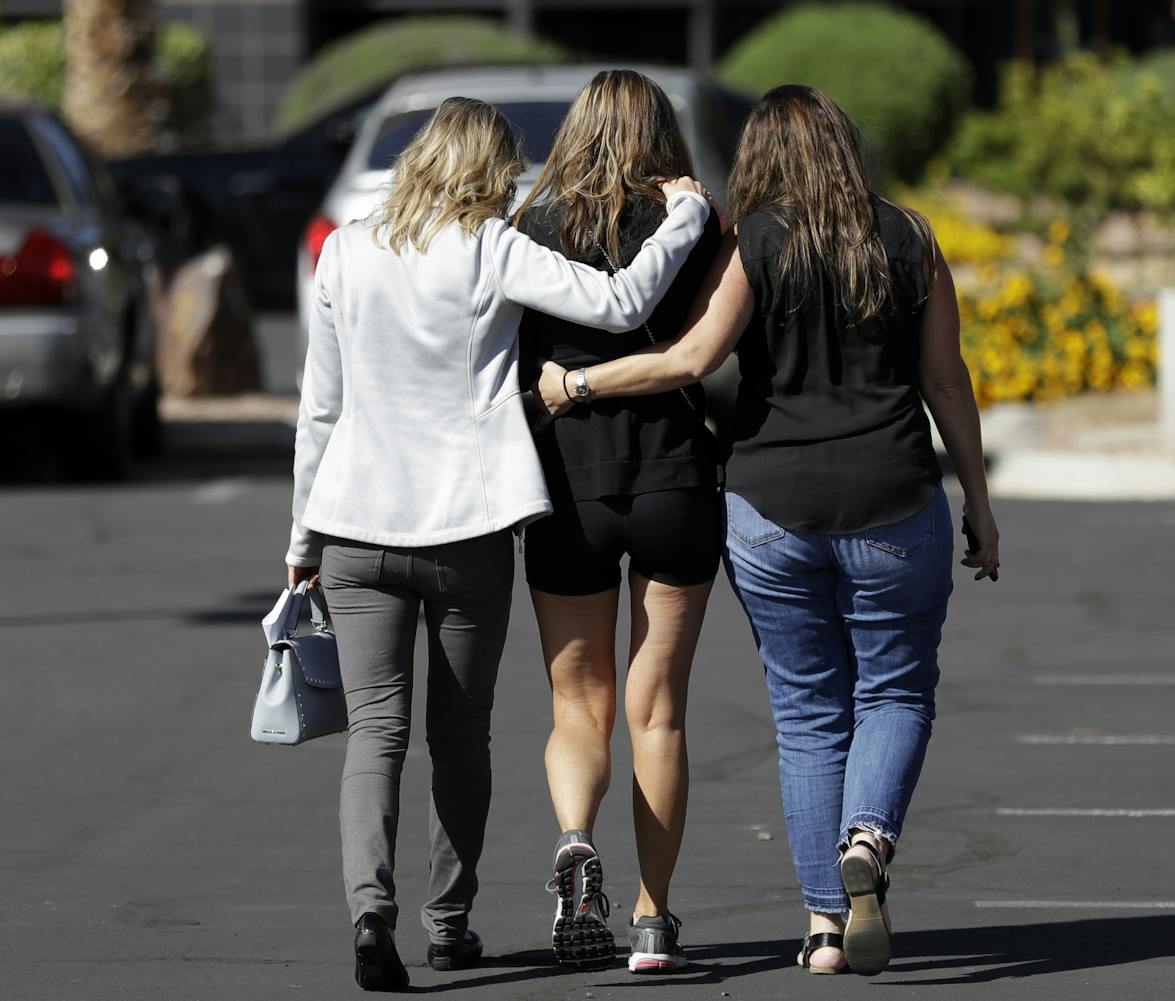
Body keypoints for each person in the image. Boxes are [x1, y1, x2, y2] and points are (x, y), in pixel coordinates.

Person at [538, 84, 1001, 977]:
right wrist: (978, 504)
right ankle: (868, 835)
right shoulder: (909, 238)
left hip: (768, 510)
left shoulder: (754, 242)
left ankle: (826, 926)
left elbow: (690, 360)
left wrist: (579, 386)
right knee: (896, 692)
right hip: (897, 501)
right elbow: (949, 384)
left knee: (807, 714)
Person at [283, 96, 711, 992]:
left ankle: (372, 912)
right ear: (488, 168)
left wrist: (302, 536)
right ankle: (449, 921)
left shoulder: (346, 252)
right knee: (461, 732)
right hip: (466, 526)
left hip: (355, 523)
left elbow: (319, 406)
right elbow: (623, 299)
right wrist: (685, 218)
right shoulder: (490, 246)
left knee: (375, 732)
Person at [512, 69, 724, 974]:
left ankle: (573, 839)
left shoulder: (533, 228)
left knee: (578, 702)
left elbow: (513, 367)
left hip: (571, 485)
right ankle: (651, 918)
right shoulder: (696, 220)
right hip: (675, 478)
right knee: (659, 711)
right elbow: (716, 353)